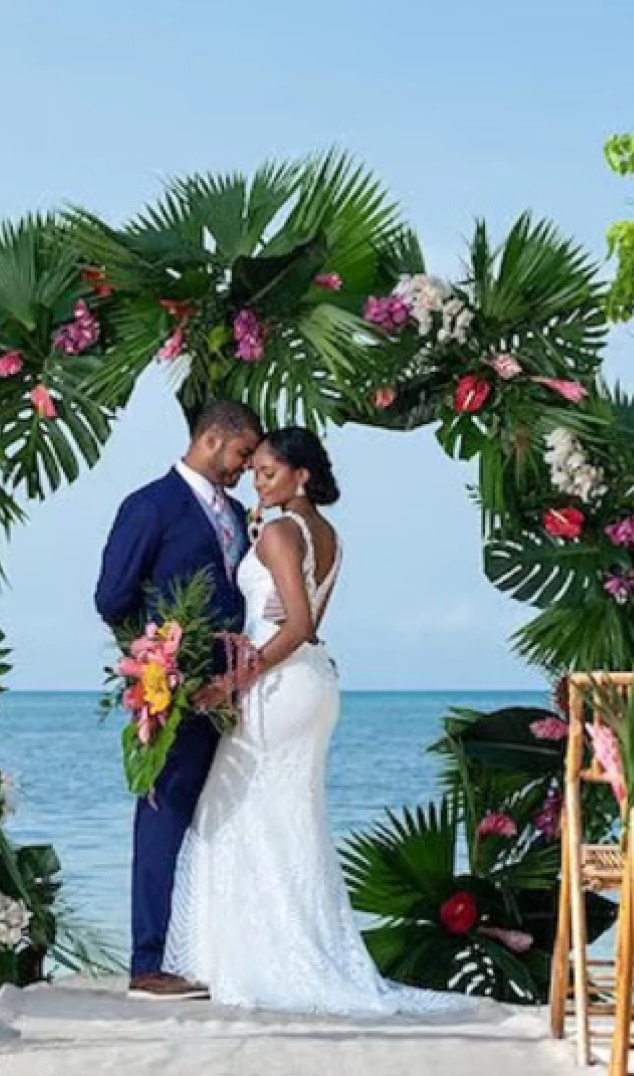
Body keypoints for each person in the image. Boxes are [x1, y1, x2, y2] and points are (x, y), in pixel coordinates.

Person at [165, 425, 460, 1015]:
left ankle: (254, 958)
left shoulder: (278, 531)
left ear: (302, 475)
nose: (258, 481)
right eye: (255, 473)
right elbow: (304, 618)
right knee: (291, 821)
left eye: (269, 472)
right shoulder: (327, 534)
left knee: (230, 813)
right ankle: (297, 948)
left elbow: (295, 625)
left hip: (280, 683)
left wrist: (230, 682)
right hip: (315, 685)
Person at [93, 398, 262, 1000]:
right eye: (243, 454)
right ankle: (147, 963)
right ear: (215, 440)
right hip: (175, 687)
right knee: (163, 817)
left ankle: (218, 952)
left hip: (238, 689)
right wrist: (155, 660)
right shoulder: (150, 505)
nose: (246, 467)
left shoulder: (240, 515)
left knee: (230, 817)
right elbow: (112, 596)